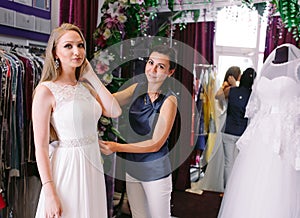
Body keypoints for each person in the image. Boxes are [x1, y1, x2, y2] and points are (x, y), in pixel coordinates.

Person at [32, 23, 121, 218]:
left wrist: (91, 75)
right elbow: (40, 147)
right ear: (55, 52)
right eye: (68, 46)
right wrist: (50, 192)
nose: (77, 51)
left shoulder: (86, 87)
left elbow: (115, 110)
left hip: (92, 164)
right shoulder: (46, 91)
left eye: (80, 45)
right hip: (68, 166)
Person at [218, 43, 300, 218]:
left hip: (285, 134)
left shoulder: (298, 67)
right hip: (262, 135)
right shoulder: (266, 70)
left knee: (280, 184)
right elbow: (255, 107)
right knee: (252, 186)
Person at [100, 45, 178, 218]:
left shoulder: (169, 100)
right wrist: (89, 84)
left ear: (170, 72)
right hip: (133, 169)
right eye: (151, 62)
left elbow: (155, 144)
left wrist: (116, 147)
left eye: (161, 66)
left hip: (155, 172)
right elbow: (110, 102)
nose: (153, 69)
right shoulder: (137, 88)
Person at [222, 68, 256, 187]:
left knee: (228, 163)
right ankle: (236, 189)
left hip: (228, 131)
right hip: (243, 133)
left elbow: (218, 97)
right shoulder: (254, 96)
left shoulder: (230, 91)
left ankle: (227, 190)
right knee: (240, 164)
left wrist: (234, 86)